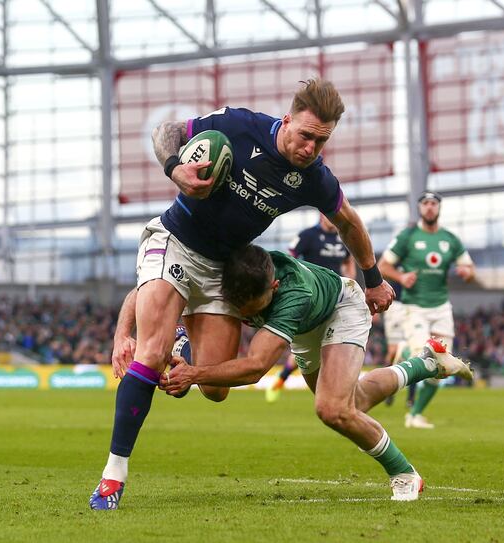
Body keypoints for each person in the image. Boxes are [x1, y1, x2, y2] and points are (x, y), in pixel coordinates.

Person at [90, 79, 395, 510]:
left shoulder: (313, 177)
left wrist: (373, 278)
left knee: (214, 389)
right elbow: (167, 131)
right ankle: (113, 477)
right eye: (305, 135)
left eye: (321, 141)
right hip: (175, 240)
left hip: (224, 268)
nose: (310, 148)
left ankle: (181, 339)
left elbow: (349, 222)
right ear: (287, 120)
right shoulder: (238, 125)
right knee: (151, 352)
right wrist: (175, 169)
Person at [161, 245, 472, 501]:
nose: (245, 314)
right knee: (355, 404)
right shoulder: (234, 274)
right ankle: (424, 363)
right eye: (239, 306)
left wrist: (193, 373)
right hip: (303, 328)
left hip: (341, 307)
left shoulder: (293, 293)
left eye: (253, 307)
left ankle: (404, 473)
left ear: (274, 287)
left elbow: (256, 366)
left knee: (332, 409)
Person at [378, 191, 475, 429]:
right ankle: (405, 351)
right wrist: (401, 277)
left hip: (441, 308)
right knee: (423, 356)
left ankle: (415, 415)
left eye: (433, 203)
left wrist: (466, 273)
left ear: (439, 208)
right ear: (420, 208)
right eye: (425, 203)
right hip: (415, 307)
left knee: (444, 368)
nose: (430, 207)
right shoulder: (408, 236)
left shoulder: (450, 239)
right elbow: (383, 265)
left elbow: (470, 269)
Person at [265, 214, 355, 402]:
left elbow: (348, 260)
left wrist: (350, 279)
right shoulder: (307, 235)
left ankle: (335, 393)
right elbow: (289, 256)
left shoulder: (343, 238)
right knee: (309, 349)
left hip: (336, 297)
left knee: (327, 347)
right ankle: (283, 378)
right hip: (311, 298)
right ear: (322, 215)